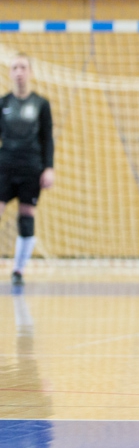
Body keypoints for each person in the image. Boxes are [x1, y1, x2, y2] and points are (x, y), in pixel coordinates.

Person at [0, 54, 54, 286]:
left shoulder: (41, 104)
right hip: (5, 167)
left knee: (26, 217)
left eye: (23, 67)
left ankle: (18, 270)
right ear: (10, 73)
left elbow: (47, 139)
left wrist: (49, 167)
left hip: (31, 167)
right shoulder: (3, 103)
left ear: (30, 72)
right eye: (15, 68)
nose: (19, 72)